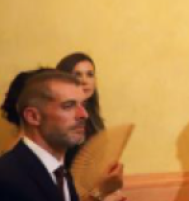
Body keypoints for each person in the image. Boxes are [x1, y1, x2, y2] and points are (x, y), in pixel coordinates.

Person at [0, 70, 123, 201]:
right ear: (33, 116)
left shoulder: (59, 170)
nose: (84, 115)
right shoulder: (7, 177)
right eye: (68, 106)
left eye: (83, 105)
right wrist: (100, 193)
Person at [54, 54, 104, 166]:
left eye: (90, 75)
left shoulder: (93, 116)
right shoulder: (58, 116)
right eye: (77, 75)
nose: (84, 81)